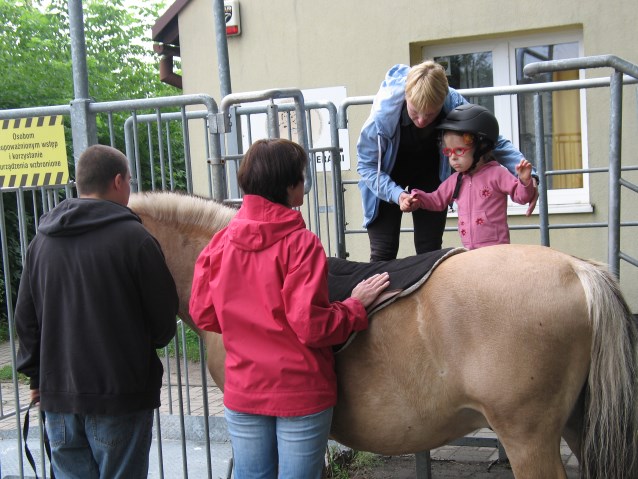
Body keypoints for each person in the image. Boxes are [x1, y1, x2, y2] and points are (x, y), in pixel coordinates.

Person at [189, 138, 390, 479]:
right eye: (301, 176)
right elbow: (311, 327)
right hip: (299, 392)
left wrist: (247, 322)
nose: (304, 183)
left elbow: (203, 313)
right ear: (286, 185)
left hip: (244, 390)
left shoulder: (220, 243)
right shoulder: (301, 244)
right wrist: (354, 307)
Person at [15, 144, 179, 479]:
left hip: (58, 399)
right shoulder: (136, 240)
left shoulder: (41, 242)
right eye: (130, 180)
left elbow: (26, 320)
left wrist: (35, 378)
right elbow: (163, 324)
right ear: (119, 181)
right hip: (122, 398)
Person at [357, 60, 538, 261]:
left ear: (443, 100)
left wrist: (530, 178)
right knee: (383, 251)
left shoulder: (453, 102)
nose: (422, 121)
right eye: (415, 112)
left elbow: (491, 139)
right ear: (406, 96)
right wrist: (397, 194)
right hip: (386, 175)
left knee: (430, 248)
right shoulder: (380, 119)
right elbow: (366, 166)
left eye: (431, 114)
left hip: (430, 172)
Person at [403, 104, 535, 250]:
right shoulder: (456, 180)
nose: (452, 158)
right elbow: (437, 200)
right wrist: (418, 198)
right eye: (448, 151)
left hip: (497, 250)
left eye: (459, 150)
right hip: (469, 252)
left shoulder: (497, 174)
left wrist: (524, 181)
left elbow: (521, 197)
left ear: (482, 147)